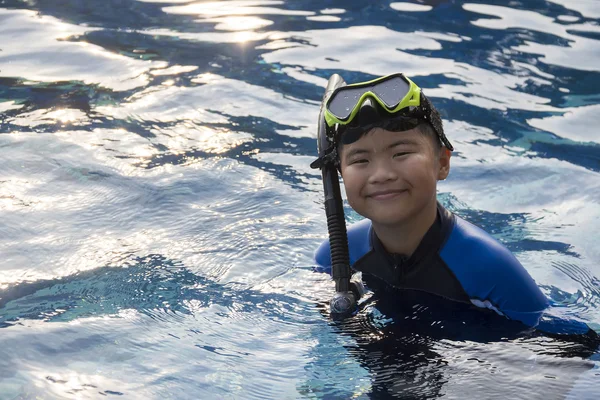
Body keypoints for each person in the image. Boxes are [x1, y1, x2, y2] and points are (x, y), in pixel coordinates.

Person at [313, 72, 555, 329]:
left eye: (401, 153)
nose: (381, 175)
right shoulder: (333, 257)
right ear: (340, 174)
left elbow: (569, 351)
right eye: (360, 160)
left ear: (442, 162)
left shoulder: (489, 269)